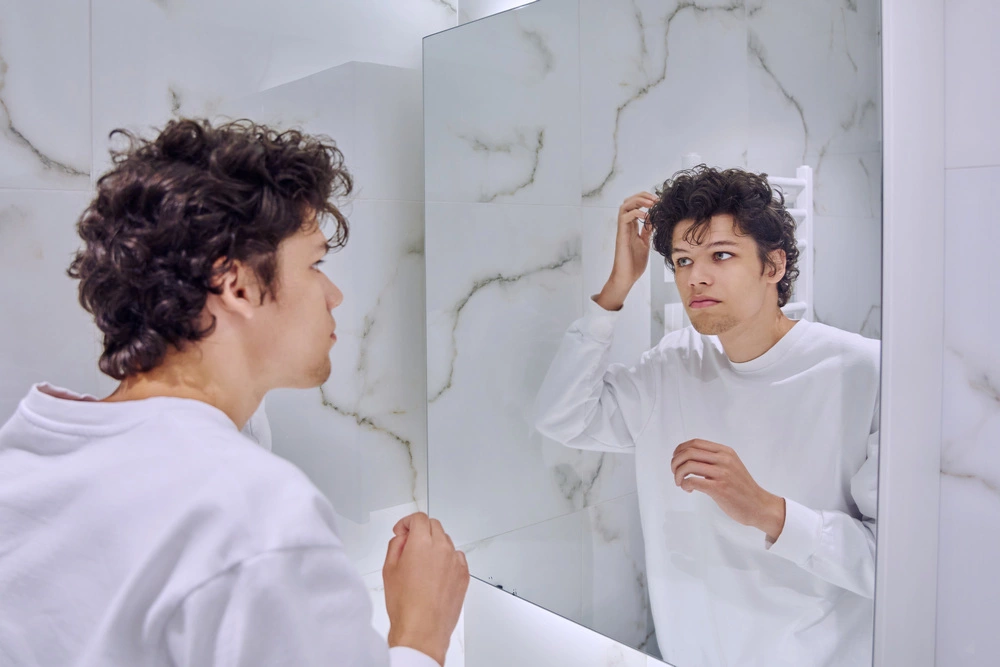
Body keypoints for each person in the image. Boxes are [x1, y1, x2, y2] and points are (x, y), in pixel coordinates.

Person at [0, 118, 468, 667]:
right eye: (315, 264)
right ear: (238, 285)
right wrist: (420, 635)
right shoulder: (253, 517)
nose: (335, 295)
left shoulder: (27, 457)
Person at [535, 166, 880, 667]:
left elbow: (890, 562)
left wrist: (767, 510)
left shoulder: (864, 372)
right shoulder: (674, 363)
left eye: (721, 255)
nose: (695, 276)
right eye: (681, 260)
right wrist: (614, 291)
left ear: (773, 266)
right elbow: (562, 417)